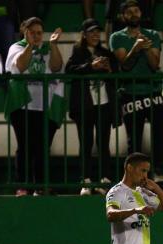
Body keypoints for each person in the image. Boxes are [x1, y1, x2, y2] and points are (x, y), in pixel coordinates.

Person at [5, 17, 64, 196]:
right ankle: (22, 186)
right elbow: (20, 67)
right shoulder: (16, 47)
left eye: (39, 33)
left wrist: (53, 45)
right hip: (22, 105)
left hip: (44, 106)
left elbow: (56, 67)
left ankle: (40, 185)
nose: (37, 36)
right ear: (25, 33)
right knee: (24, 146)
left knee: (41, 147)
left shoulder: (47, 48)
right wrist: (30, 45)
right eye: (32, 33)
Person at [110, 0, 163, 182]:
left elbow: (155, 64)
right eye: (129, 12)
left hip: (153, 91)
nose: (134, 14)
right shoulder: (116, 37)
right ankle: (134, 176)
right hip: (130, 92)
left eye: (136, 11)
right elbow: (125, 65)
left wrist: (147, 47)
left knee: (159, 133)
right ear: (122, 16)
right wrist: (135, 48)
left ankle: (157, 171)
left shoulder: (152, 35)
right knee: (133, 139)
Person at [66, 18, 120, 195]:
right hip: (85, 105)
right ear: (84, 35)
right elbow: (70, 71)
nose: (96, 34)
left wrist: (108, 69)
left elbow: (116, 74)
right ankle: (86, 181)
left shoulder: (105, 52)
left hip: (104, 103)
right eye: (91, 32)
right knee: (86, 142)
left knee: (103, 143)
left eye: (98, 31)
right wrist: (91, 66)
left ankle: (105, 180)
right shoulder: (77, 51)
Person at [106, 152, 163, 244]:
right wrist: (136, 210)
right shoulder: (117, 191)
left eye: (147, 171)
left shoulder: (142, 192)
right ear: (129, 168)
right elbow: (110, 214)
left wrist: (156, 187)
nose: (145, 176)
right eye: (142, 171)